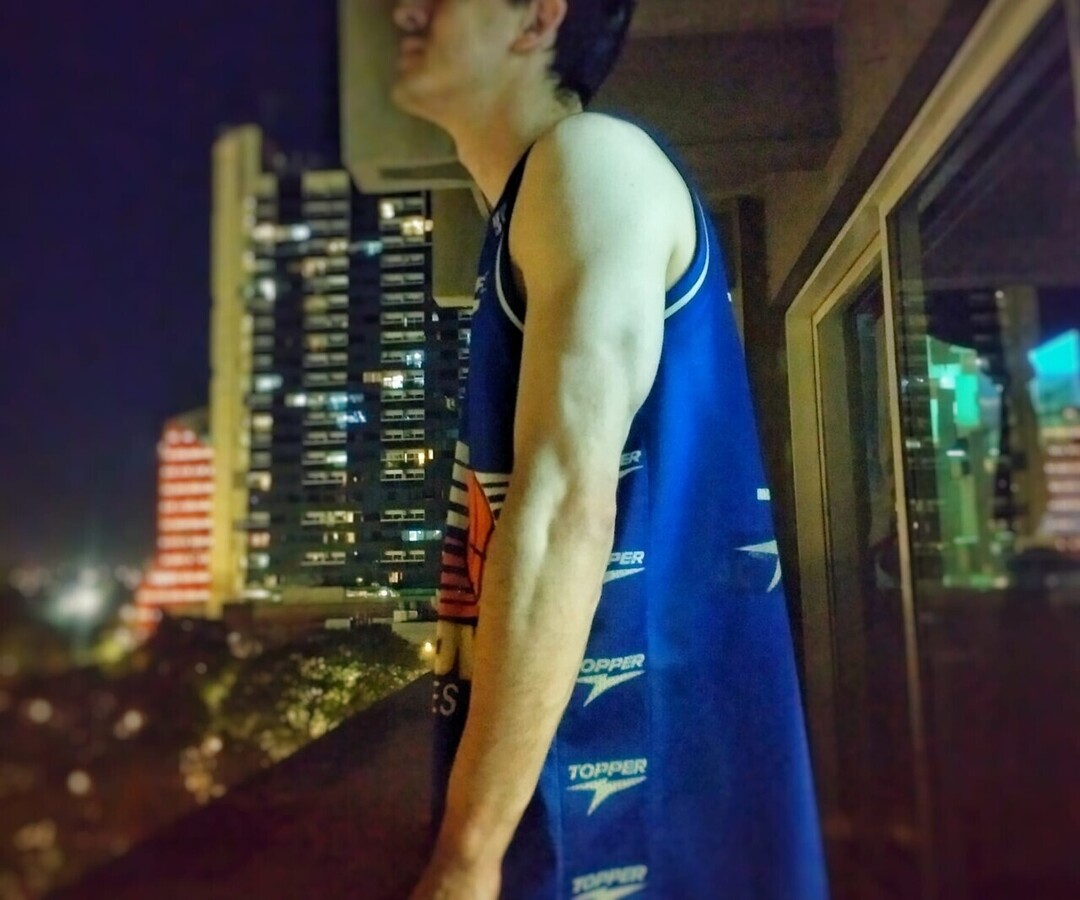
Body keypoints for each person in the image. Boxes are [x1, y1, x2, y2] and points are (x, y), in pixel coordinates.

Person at [388, 1, 827, 897]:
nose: (406, 8)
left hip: (638, 817)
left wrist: (467, 854)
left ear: (536, 17)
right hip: (608, 798)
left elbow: (563, 508)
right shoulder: (534, 206)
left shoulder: (592, 161)